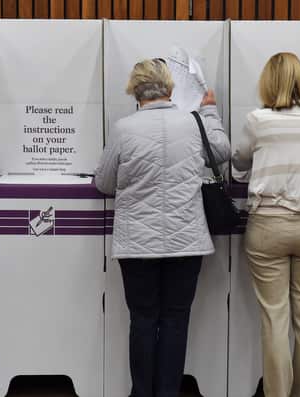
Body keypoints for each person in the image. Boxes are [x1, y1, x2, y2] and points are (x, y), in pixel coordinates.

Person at [95, 58, 230, 397]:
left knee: (142, 321)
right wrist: (210, 111)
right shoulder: (193, 123)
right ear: (170, 89)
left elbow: (104, 183)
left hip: (137, 245)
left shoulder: (123, 129)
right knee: (175, 320)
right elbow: (224, 152)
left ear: (134, 91)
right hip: (187, 243)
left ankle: (142, 392)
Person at [232, 52, 300, 397]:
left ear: (267, 83)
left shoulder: (258, 120)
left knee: (274, 319)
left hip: (268, 228)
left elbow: (239, 163)